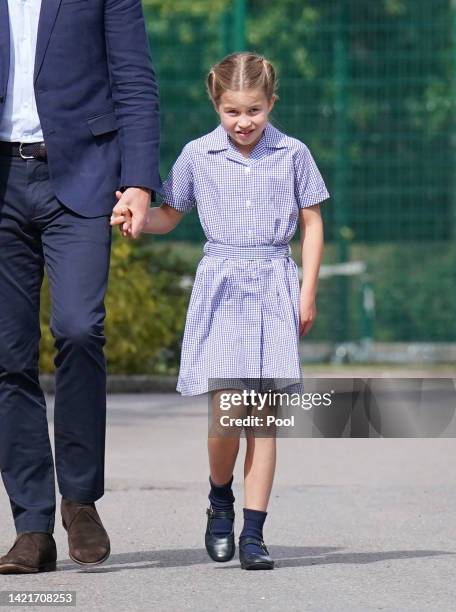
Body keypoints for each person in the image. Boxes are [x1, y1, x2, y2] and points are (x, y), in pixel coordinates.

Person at [111, 51, 329, 570]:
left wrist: (308, 291)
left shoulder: (293, 153)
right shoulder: (198, 155)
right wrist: (136, 217)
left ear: (271, 103)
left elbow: (312, 223)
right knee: (227, 414)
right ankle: (220, 498)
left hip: (275, 284)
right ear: (217, 105)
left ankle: (254, 535)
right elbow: (170, 214)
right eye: (232, 112)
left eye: (254, 110)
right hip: (222, 287)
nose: (243, 122)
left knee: (263, 419)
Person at [0, 0, 161, 573]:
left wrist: (140, 180)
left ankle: (80, 499)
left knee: (79, 328)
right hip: (3, 184)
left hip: (84, 175)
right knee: (7, 357)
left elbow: (135, 79)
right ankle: (32, 526)